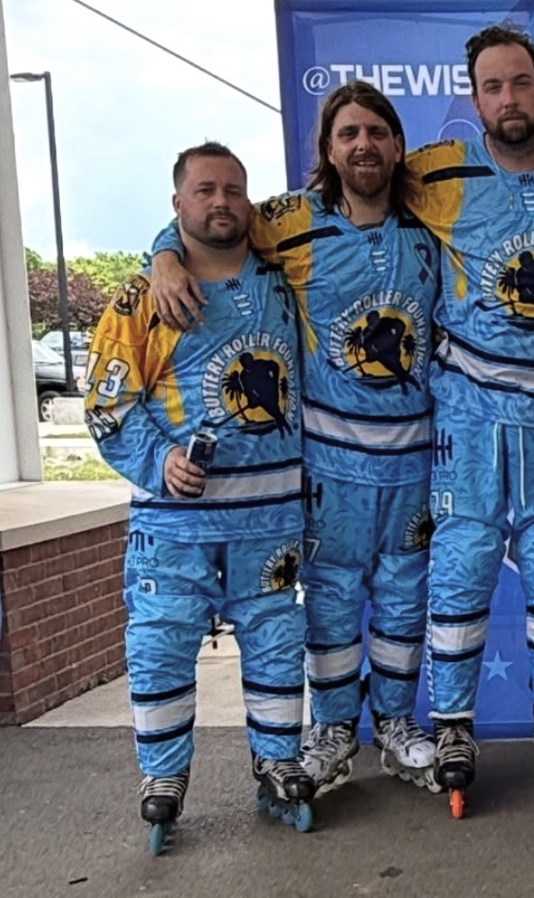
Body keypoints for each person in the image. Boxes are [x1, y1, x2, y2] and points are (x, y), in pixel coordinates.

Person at [147, 82, 441, 796]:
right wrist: (163, 255)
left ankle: (396, 724)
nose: (363, 144)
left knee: (405, 599)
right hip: (330, 468)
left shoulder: (434, 215)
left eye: (376, 132)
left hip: (413, 462)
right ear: (328, 149)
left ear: (397, 144)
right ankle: (334, 728)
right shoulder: (288, 221)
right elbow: (211, 224)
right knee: (332, 601)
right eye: (348, 134)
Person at [402, 24, 534, 815]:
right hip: (469, 417)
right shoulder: (434, 172)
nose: (508, 98)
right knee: (461, 569)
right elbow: (335, 195)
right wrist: (169, 249)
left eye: (521, 83)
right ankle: (454, 725)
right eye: (492, 87)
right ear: (475, 96)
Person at [85, 142, 314, 852]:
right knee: (160, 645)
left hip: (269, 516)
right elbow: (106, 405)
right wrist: (160, 461)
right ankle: (162, 777)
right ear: (177, 203)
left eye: (234, 190)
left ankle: (278, 762)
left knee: (277, 644)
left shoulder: (283, 277)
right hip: (175, 525)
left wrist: (165, 249)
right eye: (205, 190)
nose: (221, 202)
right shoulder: (139, 300)